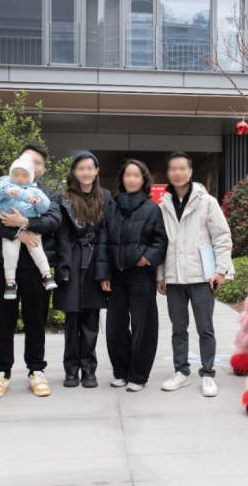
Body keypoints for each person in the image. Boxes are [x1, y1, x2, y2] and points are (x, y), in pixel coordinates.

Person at [0, 142, 61, 399]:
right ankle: (1, 372)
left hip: (35, 269)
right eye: (25, 159)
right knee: (2, 320)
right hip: (1, 265)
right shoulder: (1, 188)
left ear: (41, 170)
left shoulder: (48, 195)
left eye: (36, 162)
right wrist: (18, 233)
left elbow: (54, 221)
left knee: (36, 321)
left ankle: (36, 370)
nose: (29, 165)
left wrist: (24, 221)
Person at [156, 151, 232, 397]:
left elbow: (221, 236)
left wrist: (220, 270)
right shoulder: (163, 205)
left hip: (202, 277)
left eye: (182, 168)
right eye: (173, 169)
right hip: (174, 277)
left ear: (190, 172)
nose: (178, 173)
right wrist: (160, 275)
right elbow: (161, 243)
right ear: (168, 173)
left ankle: (208, 374)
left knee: (205, 328)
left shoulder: (206, 202)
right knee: (178, 328)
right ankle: (181, 372)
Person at [96, 159, 167, 392]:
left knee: (143, 326)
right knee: (115, 326)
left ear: (144, 179)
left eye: (136, 175)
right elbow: (103, 243)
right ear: (122, 179)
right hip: (116, 276)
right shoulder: (112, 208)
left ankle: (138, 375)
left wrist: (146, 258)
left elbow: (160, 241)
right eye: (128, 175)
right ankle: (121, 371)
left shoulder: (152, 208)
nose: (132, 179)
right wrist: (104, 274)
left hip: (140, 276)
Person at [53, 151, 113, 388]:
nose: (85, 172)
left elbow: (108, 233)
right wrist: (64, 267)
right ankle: (70, 369)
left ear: (96, 171)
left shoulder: (105, 196)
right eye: (81, 168)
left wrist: (105, 270)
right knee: (72, 320)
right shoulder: (64, 198)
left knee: (91, 319)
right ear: (74, 172)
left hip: (96, 259)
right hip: (73, 258)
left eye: (89, 168)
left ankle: (89, 368)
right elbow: (62, 235)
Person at [0, 155, 57, 298]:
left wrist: (37, 202)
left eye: (24, 175)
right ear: (11, 174)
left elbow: (46, 207)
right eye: (16, 174)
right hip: (9, 228)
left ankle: (47, 275)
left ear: (31, 176)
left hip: (29, 226)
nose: (20, 178)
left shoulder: (35, 191)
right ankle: (10, 282)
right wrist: (7, 191)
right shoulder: (5, 185)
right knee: (10, 253)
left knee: (36, 248)